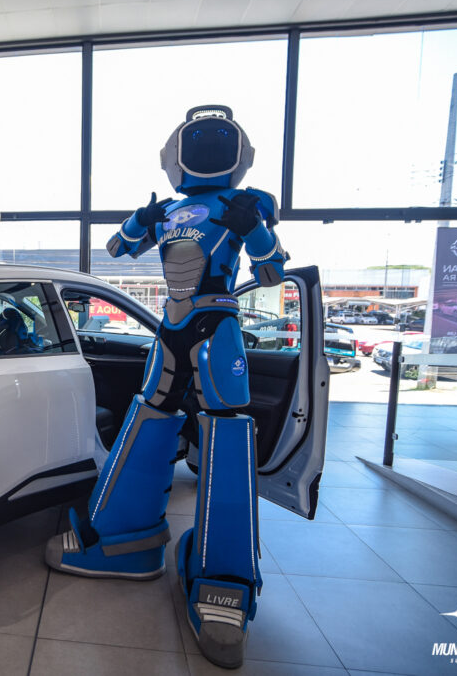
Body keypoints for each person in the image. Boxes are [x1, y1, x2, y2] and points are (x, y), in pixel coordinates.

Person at [44, 105, 288, 668]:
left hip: (216, 324)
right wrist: (141, 218)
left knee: (226, 435)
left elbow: (272, 273)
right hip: (172, 328)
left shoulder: (247, 204)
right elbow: (116, 249)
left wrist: (254, 229)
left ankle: (224, 581)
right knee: (147, 423)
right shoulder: (171, 211)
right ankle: (124, 540)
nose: (207, 143)